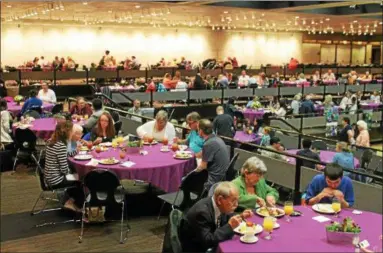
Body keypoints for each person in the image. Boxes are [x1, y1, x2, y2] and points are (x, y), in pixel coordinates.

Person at [180, 181, 254, 253]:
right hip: (197, 248)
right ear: (219, 200)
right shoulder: (201, 213)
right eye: (233, 201)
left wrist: (241, 216)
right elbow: (208, 241)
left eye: (237, 200)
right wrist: (230, 226)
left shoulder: (219, 205)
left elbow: (226, 216)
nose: (236, 205)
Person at [44, 121, 84, 212]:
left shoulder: (52, 141)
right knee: (82, 179)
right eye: (72, 131)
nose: (73, 133)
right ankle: (72, 203)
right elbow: (64, 170)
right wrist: (75, 174)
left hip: (48, 177)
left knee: (77, 176)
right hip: (56, 179)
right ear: (67, 132)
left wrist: (76, 149)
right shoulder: (61, 145)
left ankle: (69, 199)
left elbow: (68, 153)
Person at [195, 119, 230, 191]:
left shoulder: (208, 144)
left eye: (198, 129)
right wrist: (193, 156)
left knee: (187, 178)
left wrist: (190, 172)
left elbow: (203, 167)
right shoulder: (216, 138)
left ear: (201, 131)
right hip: (223, 177)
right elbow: (203, 152)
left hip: (213, 180)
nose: (197, 131)